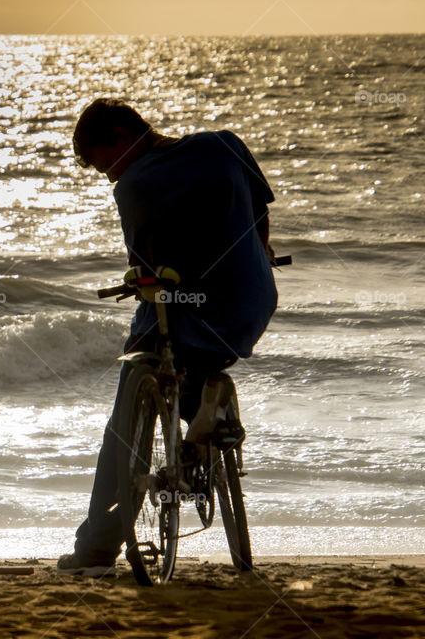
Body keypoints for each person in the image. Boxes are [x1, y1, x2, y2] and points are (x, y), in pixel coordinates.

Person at [57, 98, 277, 576]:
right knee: (184, 348)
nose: (110, 177)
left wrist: (144, 280)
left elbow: (145, 269)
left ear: (121, 135)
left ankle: (95, 549)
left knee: (127, 405)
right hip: (251, 305)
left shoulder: (135, 184)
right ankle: (203, 406)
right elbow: (261, 225)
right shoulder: (224, 145)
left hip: (189, 315)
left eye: (104, 164)